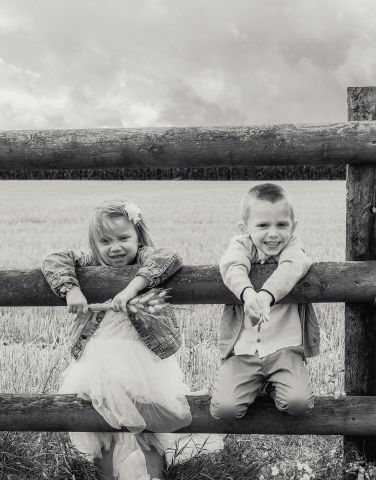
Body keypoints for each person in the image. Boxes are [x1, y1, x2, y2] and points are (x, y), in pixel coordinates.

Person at [42, 199, 222, 480]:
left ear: (138, 236)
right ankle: (106, 476)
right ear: (94, 244)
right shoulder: (90, 262)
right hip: (97, 363)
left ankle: (156, 476)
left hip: (141, 361)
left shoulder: (146, 258)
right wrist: (71, 290)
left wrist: (130, 289)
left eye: (124, 238)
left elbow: (170, 256)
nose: (114, 247)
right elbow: (53, 258)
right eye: (105, 241)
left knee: (150, 422)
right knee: (101, 423)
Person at [210, 183, 319, 422]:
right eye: (262, 225)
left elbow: (292, 267)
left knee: (298, 403)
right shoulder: (241, 245)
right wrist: (248, 293)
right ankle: (254, 386)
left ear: (294, 226)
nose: (273, 233)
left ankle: (272, 388)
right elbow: (232, 266)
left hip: (285, 348)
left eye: (282, 225)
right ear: (244, 228)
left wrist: (266, 295)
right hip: (243, 350)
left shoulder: (293, 246)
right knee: (224, 410)